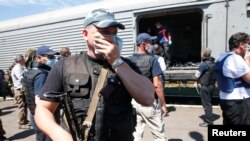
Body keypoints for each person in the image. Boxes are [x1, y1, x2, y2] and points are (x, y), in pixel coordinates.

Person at [34, 8, 154, 141]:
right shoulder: (65, 65)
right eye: (104, 32)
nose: (111, 38)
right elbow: (43, 108)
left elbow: (148, 99)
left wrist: (116, 61)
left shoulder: (127, 65)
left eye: (114, 32)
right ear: (85, 34)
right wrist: (59, 134)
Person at [128, 33, 168, 141]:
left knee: (136, 134)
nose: (152, 45)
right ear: (143, 44)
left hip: (134, 103)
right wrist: (163, 104)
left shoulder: (129, 60)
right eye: (150, 42)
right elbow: (157, 85)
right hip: (149, 102)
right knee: (159, 136)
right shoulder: (152, 60)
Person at [22, 46, 60, 141]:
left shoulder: (32, 71)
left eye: (53, 57)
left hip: (35, 113)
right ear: (39, 58)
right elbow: (39, 100)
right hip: (44, 116)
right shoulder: (41, 74)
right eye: (50, 57)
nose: (54, 59)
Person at [215, 32, 250, 125]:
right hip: (239, 102)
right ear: (241, 45)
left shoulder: (223, 56)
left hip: (226, 100)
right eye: (248, 44)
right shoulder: (236, 59)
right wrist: (247, 60)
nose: (248, 47)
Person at [194, 48, 216, 127]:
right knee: (209, 103)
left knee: (206, 104)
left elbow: (197, 75)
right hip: (212, 86)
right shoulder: (213, 63)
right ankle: (209, 119)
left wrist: (196, 82)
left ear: (203, 55)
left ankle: (209, 122)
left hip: (205, 87)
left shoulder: (203, 64)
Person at [11, 54, 31, 129]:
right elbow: (21, 78)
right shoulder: (17, 68)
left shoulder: (21, 66)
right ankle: (21, 123)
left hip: (22, 89)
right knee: (22, 106)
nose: (24, 59)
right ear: (19, 59)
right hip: (19, 90)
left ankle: (25, 120)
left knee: (25, 106)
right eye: (23, 58)